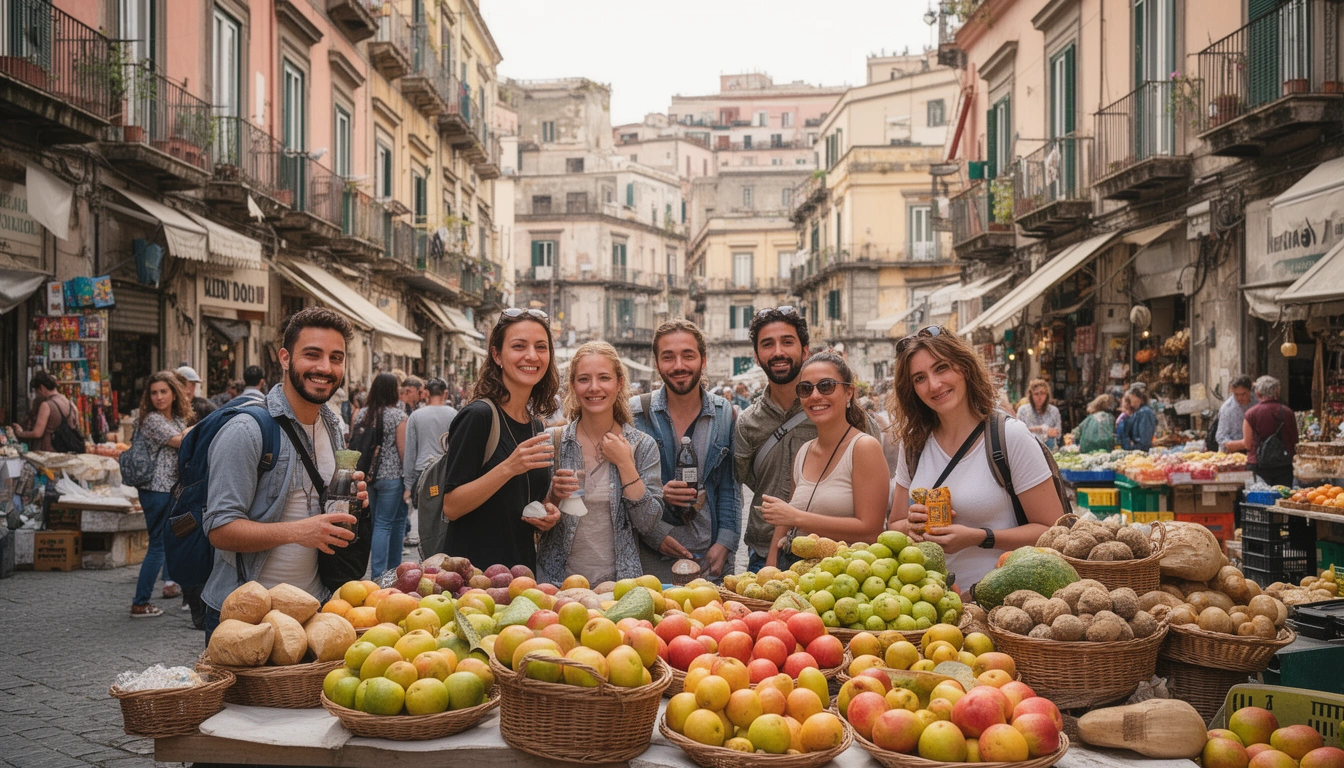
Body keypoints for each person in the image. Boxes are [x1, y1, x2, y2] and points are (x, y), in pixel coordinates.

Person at [202, 308, 366, 634]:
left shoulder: (333, 427)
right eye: (312, 355)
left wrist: (353, 500)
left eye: (336, 358)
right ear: (285, 358)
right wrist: (299, 531)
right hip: (249, 619)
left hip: (315, 611)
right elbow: (220, 529)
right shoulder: (247, 431)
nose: (325, 368)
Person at [885, 327, 1065, 587]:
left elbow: (1052, 531)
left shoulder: (1009, 437)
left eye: (941, 368)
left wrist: (980, 536)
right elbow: (895, 525)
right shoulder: (914, 443)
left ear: (964, 368)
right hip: (930, 604)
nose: (934, 385)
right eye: (919, 378)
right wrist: (911, 527)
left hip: (1004, 608)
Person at [436, 308, 562, 572]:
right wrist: (509, 467)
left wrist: (548, 509)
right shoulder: (478, 416)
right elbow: (452, 506)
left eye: (541, 347)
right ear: (497, 355)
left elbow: (518, 503)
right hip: (474, 578)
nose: (531, 355)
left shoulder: (534, 425)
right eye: (519, 346)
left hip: (520, 575)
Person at [538, 342, 662, 585]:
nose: (594, 388)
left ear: (619, 384)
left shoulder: (642, 446)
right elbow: (533, 519)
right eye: (584, 379)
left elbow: (648, 523)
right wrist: (553, 497)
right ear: (573, 385)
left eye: (604, 378)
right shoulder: (551, 443)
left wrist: (625, 463)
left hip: (620, 588)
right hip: (556, 585)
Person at [630, 320, 740, 582]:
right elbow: (622, 489)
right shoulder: (634, 414)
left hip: (711, 561)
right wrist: (657, 498)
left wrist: (725, 542)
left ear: (703, 360)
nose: (678, 365)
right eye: (668, 357)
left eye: (688, 355)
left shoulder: (724, 414)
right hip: (651, 560)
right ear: (657, 364)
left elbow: (729, 487)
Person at [761, 352, 888, 568]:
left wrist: (797, 517)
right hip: (796, 576)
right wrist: (771, 565)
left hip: (843, 582)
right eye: (806, 389)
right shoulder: (803, 452)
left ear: (849, 392)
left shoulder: (864, 448)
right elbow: (787, 518)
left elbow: (871, 530)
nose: (815, 395)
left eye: (826, 386)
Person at [734, 307, 818, 573]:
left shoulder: (831, 408)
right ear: (757, 357)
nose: (778, 352)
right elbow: (749, 480)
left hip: (826, 550)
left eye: (787, 342)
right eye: (767, 344)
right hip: (764, 552)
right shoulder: (748, 423)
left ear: (805, 350)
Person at [130, 371, 194, 617]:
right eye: (154, 392)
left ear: (174, 393)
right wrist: (202, 428)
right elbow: (182, 442)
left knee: (177, 539)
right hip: (155, 490)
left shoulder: (177, 418)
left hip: (172, 488)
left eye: (163, 392)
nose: (158, 397)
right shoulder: (152, 420)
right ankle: (140, 602)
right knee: (157, 545)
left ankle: (181, 590)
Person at [356, 373, 409, 576]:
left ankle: (384, 572)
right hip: (392, 476)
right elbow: (402, 450)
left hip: (369, 475)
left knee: (380, 521)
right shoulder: (398, 416)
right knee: (385, 524)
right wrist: (408, 480)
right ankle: (382, 575)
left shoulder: (363, 413)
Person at [403, 378, 459, 552]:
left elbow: (410, 451)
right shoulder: (454, 414)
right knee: (447, 518)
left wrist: (407, 484)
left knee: (426, 519)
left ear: (426, 393)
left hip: (424, 475)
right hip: (448, 473)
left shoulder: (416, 416)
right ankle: (446, 550)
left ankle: (428, 553)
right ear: (445, 394)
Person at [1244, 375, 1298, 487]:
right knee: (1282, 498)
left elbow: (1247, 444)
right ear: (1277, 392)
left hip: (1258, 465)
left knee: (1259, 500)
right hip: (1283, 465)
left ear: (1257, 394)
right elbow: (1294, 440)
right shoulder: (1287, 412)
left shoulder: (1250, 414)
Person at [11, 370, 76, 452]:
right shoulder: (69, 403)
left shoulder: (46, 405)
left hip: (48, 453)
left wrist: (20, 433)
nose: (38, 395)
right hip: (65, 451)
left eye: (37, 391)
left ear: (41, 388)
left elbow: (37, 433)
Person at [1017, 379, 1063, 450]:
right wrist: (1043, 429)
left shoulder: (1054, 411)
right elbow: (1020, 432)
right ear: (1031, 395)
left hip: (1050, 449)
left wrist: (1033, 430)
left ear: (1047, 395)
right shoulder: (1023, 411)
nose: (1040, 397)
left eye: (1043, 393)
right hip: (1028, 449)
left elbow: (1057, 433)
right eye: (1036, 394)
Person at [1216, 376, 1257, 452]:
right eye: (1236, 395)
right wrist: (1244, 443)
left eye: (1243, 394)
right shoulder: (1227, 408)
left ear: (1250, 391)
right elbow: (1221, 437)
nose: (1239, 398)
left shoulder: (1257, 402)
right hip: (1235, 450)